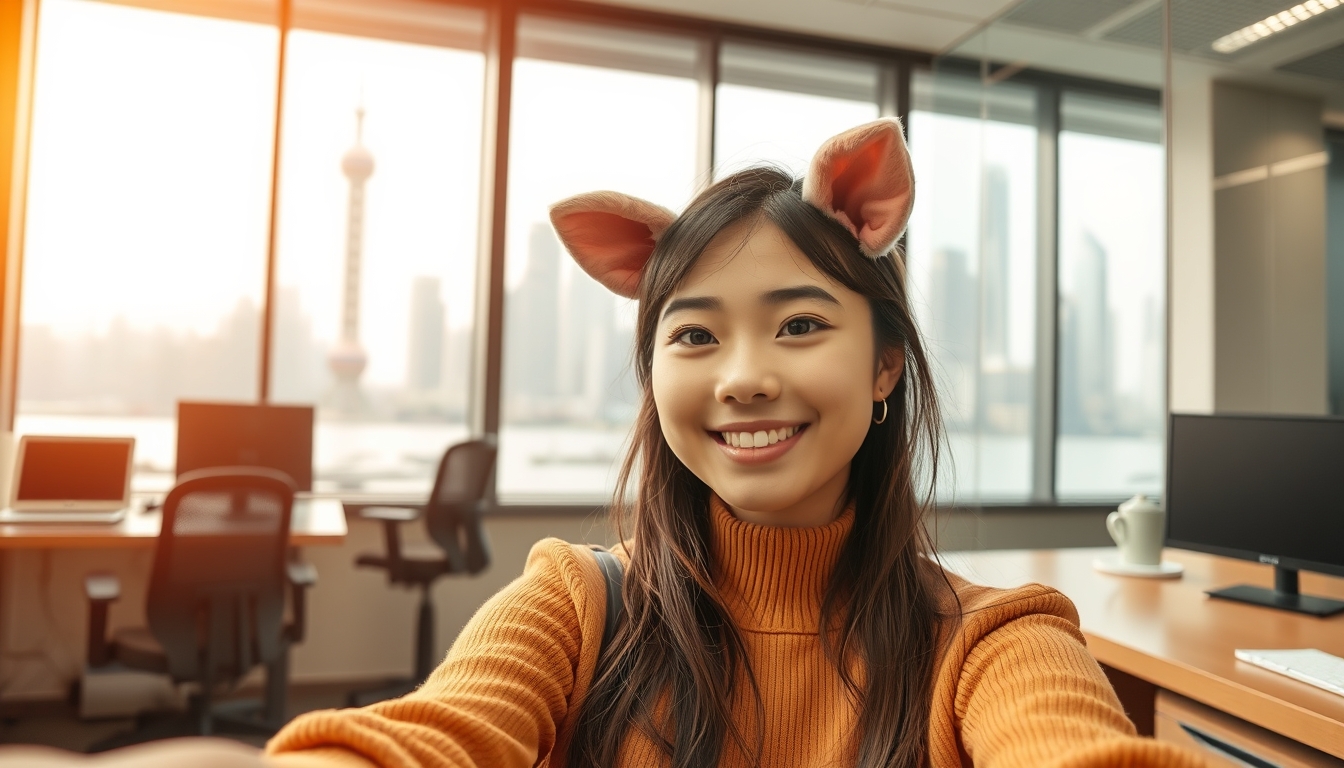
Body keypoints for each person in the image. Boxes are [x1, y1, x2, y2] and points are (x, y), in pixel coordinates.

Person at [0, 120, 1209, 768]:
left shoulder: (992, 644)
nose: (743, 377)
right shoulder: (577, 609)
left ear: (886, 365)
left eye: (799, 324)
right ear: (653, 374)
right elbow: (426, 740)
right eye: (693, 335)